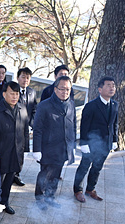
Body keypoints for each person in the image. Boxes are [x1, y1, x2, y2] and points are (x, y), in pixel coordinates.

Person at [33, 76, 76, 210]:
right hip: (47, 148)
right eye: (62, 89)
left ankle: (50, 196)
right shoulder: (44, 105)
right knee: (44, 175)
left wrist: (72, 146)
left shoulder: (71, 104)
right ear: (55, 89)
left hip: (63, 149)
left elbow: (73, 126)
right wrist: (36, 149)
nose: (65, 92)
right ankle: (39, 198)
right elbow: (38, 129)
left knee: (56, 175)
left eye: (68, 89)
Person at [73, 76, 118, 203]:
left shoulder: (115, 105)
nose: (111, 88)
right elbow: (84, 126)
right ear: (100, 89)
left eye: (113, 85)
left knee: (97, 167)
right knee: (84, 167)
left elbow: (115, 124)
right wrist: (84, 143)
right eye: (108, 85)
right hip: (91, 143)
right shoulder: (91, 106)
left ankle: (90, 189)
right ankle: (78, 190)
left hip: (105, 144)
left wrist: (114, 140)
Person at [0, 81, 27, 215]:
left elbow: (24, 131)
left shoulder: (22, 109)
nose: (15, 96)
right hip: (0, 153)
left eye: (17, 94)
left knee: (9, 180)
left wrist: (24, 150)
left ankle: (4, 203)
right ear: (4, 94)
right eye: (12, 93)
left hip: (15, 152)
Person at [13, 67, 38, 186]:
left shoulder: (32, 92)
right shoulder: (13, 91)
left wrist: (31, 125)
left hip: (25, 129)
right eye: (23, 77)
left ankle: (17, 174)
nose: (25, 80)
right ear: (18, 78)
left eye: (28, 77)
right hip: (13, 127)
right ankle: (9, 174)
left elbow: (34, 110)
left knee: (22, 152)